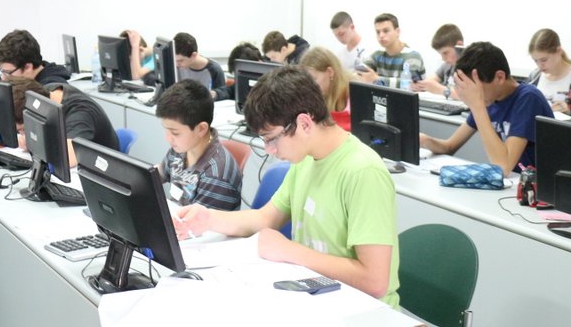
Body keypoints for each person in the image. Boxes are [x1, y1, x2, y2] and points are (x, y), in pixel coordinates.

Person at [173, 67, 400, 307]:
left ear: (304, 123)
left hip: (364, 311)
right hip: (318, 295)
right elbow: (266, 218)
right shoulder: (306, 160)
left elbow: (374, 281)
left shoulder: (363, 171)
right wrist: (208, 219)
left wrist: (289, 250)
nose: (269, 149)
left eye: (271, 138)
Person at [419, 41, 553, 174]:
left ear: (499, 77)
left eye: (477, 90)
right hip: (513, 181)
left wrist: (477, 106)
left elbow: (503, 167)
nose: (475, 95)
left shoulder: (528, 98)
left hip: (537, 184)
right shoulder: (489, 100)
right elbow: (449, 146)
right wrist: (425, 140)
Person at [155, 79, 242, 211]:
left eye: (175, 133)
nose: (167, 138)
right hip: (176, 216)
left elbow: (200, 222)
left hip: (195, 223)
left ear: (201, 129)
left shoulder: (216, 176)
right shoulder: (181, 148)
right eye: (166, 130)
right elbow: (161, 174)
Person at [8, 77, 119, 164]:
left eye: (23, 129)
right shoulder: (47, 93)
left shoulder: (79, 114)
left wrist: (32, 142)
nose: (22, 134)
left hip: (105, 174)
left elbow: (67, 159)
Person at [357, 13, 426, 87]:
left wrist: (377, 79)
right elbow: (359, 73)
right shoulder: (377, 55)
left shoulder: (412, 56)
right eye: (378, 32)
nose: (381, 35)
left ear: (397, 32)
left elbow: (411, 84)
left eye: (386, 31)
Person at [0, 29, 71, 86]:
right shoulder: (13, 75)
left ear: (28, 67)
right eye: (2, 72)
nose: (3, 78)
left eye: (7, 72)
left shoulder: (52, 91)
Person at [300, 46, 352, 131]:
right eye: (306, 81)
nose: (309, 86)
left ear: (330, 72)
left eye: (313, 79)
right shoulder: (311, 97)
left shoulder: (353, 94)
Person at [412, 23, 464, 100]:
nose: (443, 59)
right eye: (441, 54)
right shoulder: (447, 66)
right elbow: (432, 80)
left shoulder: (470, 67)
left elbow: (466, 95)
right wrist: (420, 85)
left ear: (459, 45)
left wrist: (441, 90)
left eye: (445, 53)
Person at [174, 32, 229, 101]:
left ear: (194, 55)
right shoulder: (176, 66)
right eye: (175, 60)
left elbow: (221, 97)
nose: (177, 64)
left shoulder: (214, 70)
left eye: (181, 60)